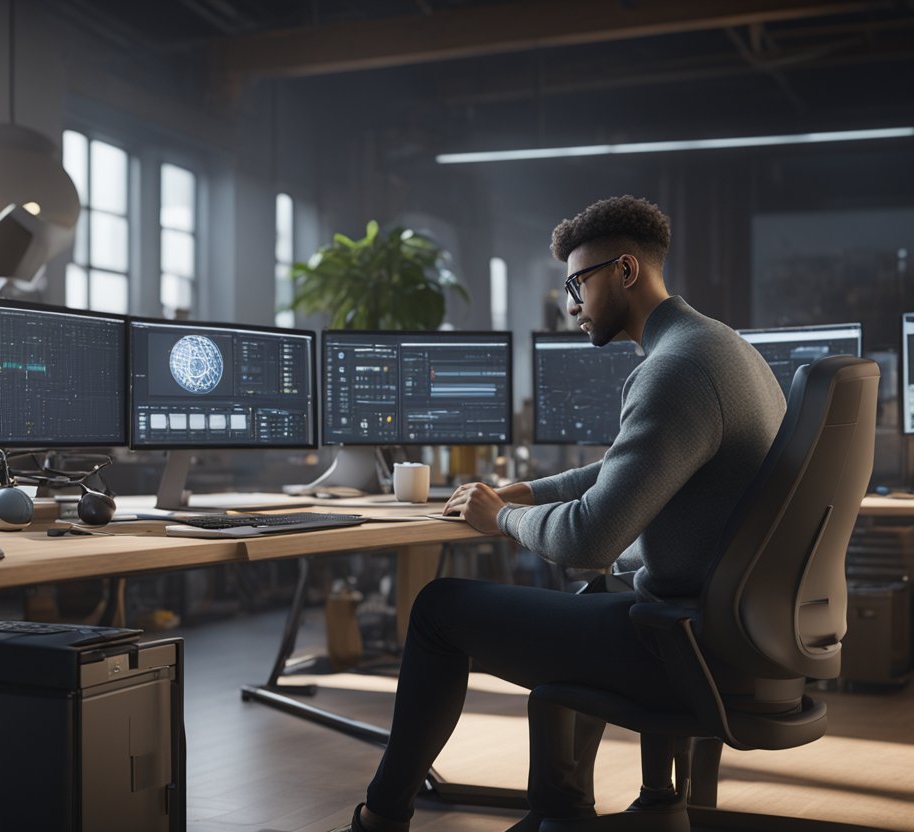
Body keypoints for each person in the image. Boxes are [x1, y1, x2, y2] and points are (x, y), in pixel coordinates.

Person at [329, 195, 787, 832]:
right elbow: (626, 471)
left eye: (577, 284)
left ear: (625, 271)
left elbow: (589, 539)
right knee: (592, 594)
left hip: (685, 648)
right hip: (737, 636)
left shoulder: (674, 369)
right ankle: (597, 810)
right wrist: (529, 493)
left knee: (438, 610)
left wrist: (500, 520)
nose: (570, 305)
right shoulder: (722, 349)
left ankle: (377, 821)